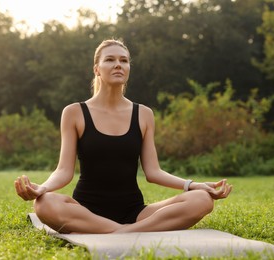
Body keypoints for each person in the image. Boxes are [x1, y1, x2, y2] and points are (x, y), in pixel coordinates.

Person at [14, 38, 232, 234]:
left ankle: (122, 232)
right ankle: (129, 232)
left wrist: (193, 185)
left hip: (135, 212)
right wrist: (42, 188)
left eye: (124, 60)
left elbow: (153, 172)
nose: (118, 64)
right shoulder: (74, 112)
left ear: (128, 68)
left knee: (202, 200)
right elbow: (63, 171)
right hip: (85, 211)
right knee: (44, 204)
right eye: (110, 59)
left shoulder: (144, 114)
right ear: (97, 69)